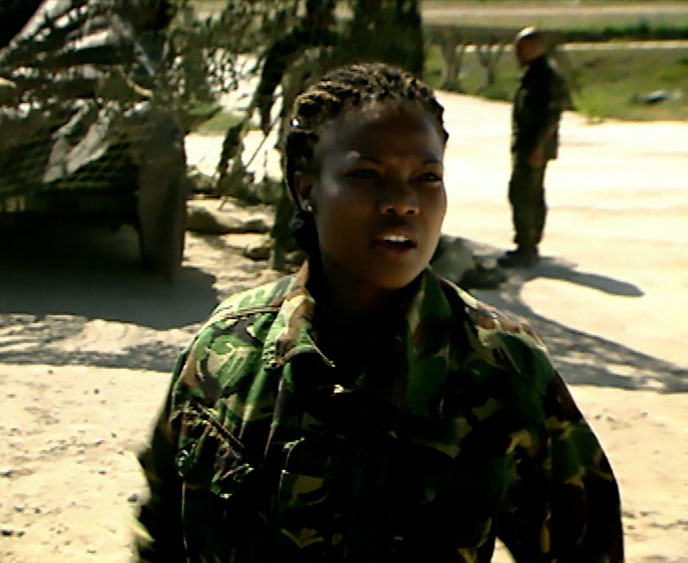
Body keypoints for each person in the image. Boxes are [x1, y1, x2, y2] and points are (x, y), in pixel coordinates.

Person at [135, 62, 622, 561]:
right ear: (306, 191)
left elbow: (586, 547)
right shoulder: (226, 349)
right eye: (367, 174)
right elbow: (162, 530)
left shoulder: (502, 369)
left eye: (427, 177)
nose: (403, 201)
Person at [500, 27, 571, 268]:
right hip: (527, 145)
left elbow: (551, 116)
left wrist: (538, 148)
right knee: (527, 192)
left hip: (533, 147)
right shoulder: (534, 74)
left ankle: (527, 247)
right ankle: (527, 244)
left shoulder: (544, 76)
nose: (517, 53)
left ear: (535, 48)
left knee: (524, 194)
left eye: (521, 48)